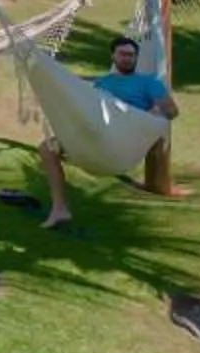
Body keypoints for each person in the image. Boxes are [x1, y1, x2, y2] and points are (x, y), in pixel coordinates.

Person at [40, 29, 175, 227]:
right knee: (47, 147)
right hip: (97, 134)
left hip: (124, 139)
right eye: (123, 54)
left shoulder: (148, 83)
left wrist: (150, 115)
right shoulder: (102, 83)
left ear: (136, 57)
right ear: (113, 56)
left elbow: (171, 111)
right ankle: (59, 208)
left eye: (131, 55)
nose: (127, 58)